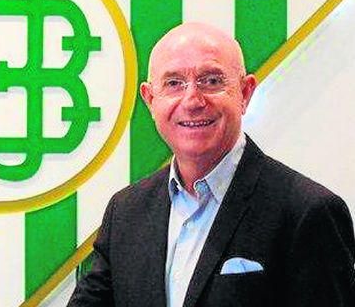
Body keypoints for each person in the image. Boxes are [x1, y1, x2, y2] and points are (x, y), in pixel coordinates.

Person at [68, 22, 355, 306]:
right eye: (174, 83)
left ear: (245, 93)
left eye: (212, 81)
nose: (192, 100)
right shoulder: (125, 213)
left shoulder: (308, 212)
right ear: (150, 99)